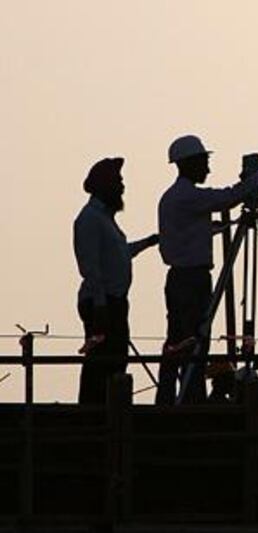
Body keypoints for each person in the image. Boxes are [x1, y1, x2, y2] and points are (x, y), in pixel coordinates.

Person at [156, 134, 258, 405]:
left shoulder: (176, 198)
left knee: (179, 341)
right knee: (193, 341)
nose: (207, 168)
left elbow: (201, 225)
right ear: (190, 163)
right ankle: (190, 399)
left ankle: (173, 396)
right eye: (204, 162)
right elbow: (227, 197)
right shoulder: (187, 196)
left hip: (183, 277)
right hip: (190, 278)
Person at [73, 157, 159, 404]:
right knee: (101, 360)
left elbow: (119, 253)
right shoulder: (89, 219)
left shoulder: (106, 220)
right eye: (118, 181)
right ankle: (94, 410)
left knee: (115, 359)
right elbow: (90, 267)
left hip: (113, 302)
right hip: (102, 303)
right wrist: (101, 306)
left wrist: (149, 242)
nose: (122, 187)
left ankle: (104, 408)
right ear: (104, 185)